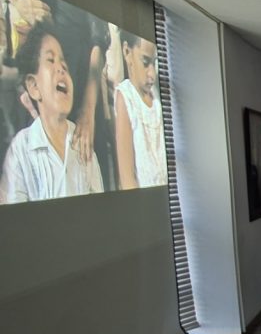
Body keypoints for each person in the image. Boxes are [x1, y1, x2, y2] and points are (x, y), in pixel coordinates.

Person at [0, 23, 102, 203]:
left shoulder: (83, 145)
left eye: (64, 64)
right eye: (50, 60)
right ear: (33, 86)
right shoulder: (20, 150)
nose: (61, 68)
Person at [114, 32, 165, 189]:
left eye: (154, 63)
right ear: (127, 52)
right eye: (145, 62)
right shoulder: (126, 97)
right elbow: (127, 178)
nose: (152, 74)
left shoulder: (157, 98)